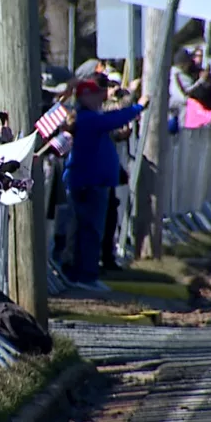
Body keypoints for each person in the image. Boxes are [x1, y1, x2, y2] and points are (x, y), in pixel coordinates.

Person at [62, 80, 148, 292]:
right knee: (90, 231)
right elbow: (115, 119)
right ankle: (86, 276)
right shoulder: (87, 118)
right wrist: (138, 106)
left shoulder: (90, 118)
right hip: (88, 184)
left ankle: (84, 273)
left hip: (92, 183)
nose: (101, 97)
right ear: (85, 97)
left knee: (89, 231)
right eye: (96, 93)